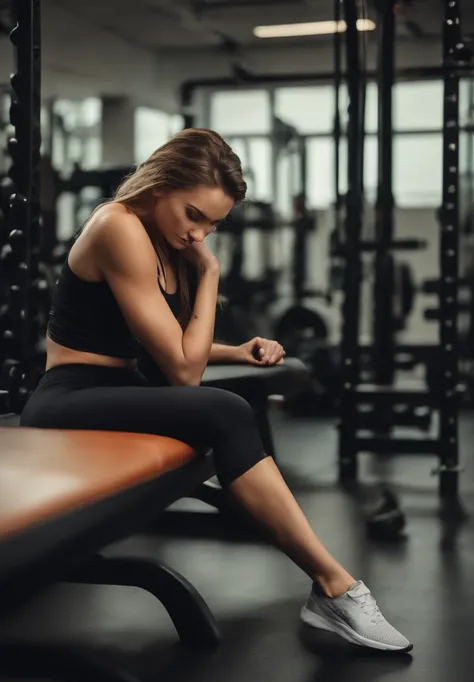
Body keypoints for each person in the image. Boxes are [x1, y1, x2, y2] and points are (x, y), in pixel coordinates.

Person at [20, 128, 412, 653]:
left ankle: (329, 585)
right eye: (194, 215)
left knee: (229, 407)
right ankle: (335, 586)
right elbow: (183, 373)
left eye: (213, 225)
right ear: (159, 186)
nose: (201, 235)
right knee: (224, 409)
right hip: (66, 399)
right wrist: (209, 276)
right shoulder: (117, 226)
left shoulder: (160, 237)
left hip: (118, 387)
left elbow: (175, 350)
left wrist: (238, 348)